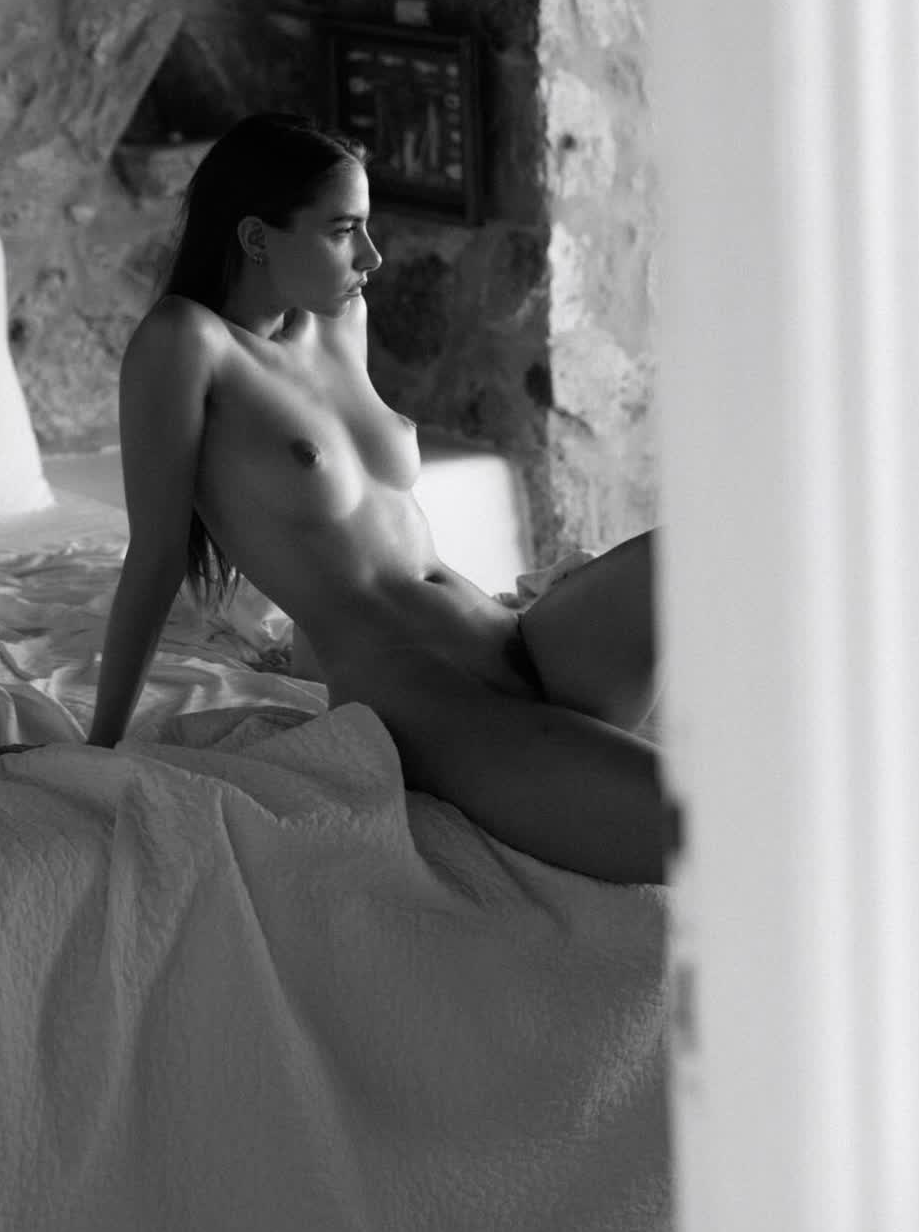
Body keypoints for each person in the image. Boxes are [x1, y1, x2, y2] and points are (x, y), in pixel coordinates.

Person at [86, 113, 665, 884]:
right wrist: (99, 743)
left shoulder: (340, 322)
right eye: (342, 231)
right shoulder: (186, 344)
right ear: (256, 238)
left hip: (516, 640)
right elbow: (157, 557)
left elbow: (357, 518)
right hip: (427, 706)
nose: (372, 255)